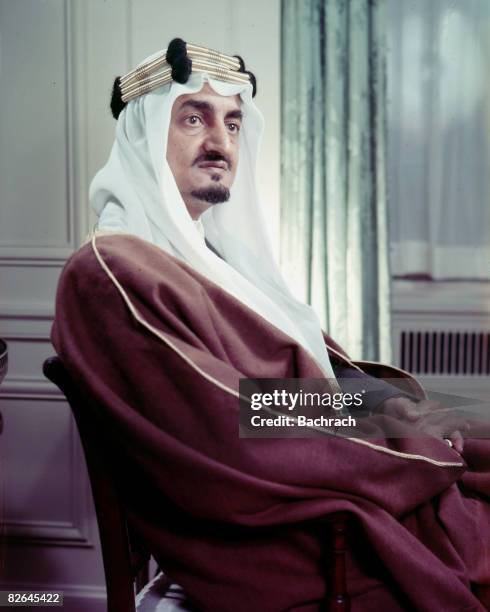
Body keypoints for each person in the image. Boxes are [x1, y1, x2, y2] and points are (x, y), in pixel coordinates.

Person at [51, 39, 490, 611]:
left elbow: (299, 379)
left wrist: (381, 405)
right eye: (193, 118)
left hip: (325, 489)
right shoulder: (111, 271)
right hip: (292, 537)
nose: (220, 143)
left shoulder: (206, 255)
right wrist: (405, 447)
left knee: (475, 426)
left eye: (233, 124)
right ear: (142, 135)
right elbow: (232, 415)